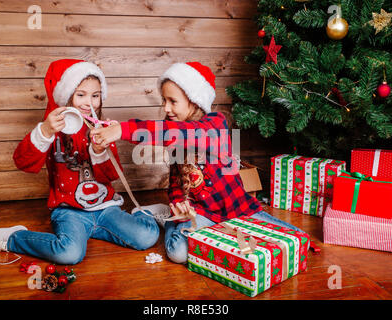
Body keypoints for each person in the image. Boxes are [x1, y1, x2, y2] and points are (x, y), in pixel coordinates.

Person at [91, 62, 305, 264]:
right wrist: (178, 204)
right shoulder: (173, 134)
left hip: (238, 211)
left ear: (195, 101)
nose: (166, 108)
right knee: (178, 253)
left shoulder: (215, 125)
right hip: (200, 214)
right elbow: (176, 181)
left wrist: (124, 129)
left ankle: (169, 215)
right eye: (164, 101)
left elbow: (184, 133)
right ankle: (166, 216)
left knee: (293, 240)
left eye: (172, 101)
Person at [0, 59, 159, 265]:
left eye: (95, 95)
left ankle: (141, 214)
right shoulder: (52, 131)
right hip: (69, 211)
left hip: (106, 208)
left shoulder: (104, 129)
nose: (89, 103)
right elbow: (23, 163)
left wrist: (100, 152)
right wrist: (44, 132)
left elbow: (111, 176)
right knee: (69, 253)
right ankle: (12, 238)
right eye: (81, 94)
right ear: (66, 95)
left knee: (147, 236)